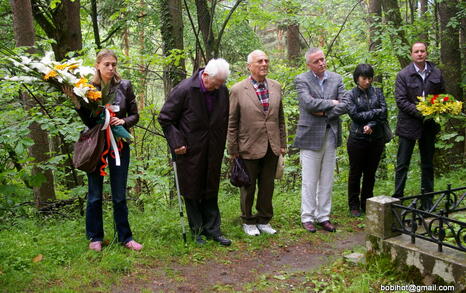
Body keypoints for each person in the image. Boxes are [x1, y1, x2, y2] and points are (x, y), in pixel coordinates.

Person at [68, 49, 143, 251]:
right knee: (95, 194)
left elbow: (135, 115)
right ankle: (95, 238)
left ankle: (125, 237)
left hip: (119, 144)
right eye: (107, 64)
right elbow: (89, 120)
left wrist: (123, 121)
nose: (111, 68)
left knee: (119, 194)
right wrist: (77, 103)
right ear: (98, 65)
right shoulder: (89, 87)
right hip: (96, 145)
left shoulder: (124, 86)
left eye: (113, 64)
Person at [158, 58, 232, 246]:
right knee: (192, 189)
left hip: (213, 148)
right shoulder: (184, 90)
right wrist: (177, 142)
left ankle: (213, 230)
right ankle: (197, 231)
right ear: (205, 76)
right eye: (215, 84)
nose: (218, 88)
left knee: (211, 188)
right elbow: (165, 118)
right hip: (190, 149)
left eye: (221, 84)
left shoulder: (222, 90)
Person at [227, 50, 287, 236]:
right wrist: (233, 148)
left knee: (267, 185)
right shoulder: (238, 89)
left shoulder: (276, 86)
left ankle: (264, 219)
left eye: (266, 60)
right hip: (248, 146)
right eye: (259, 61)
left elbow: (280, 118)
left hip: (272, 145)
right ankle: (248, 220)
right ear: (249, 66)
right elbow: (232, 121)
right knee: (248, 186)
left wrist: (283, 143)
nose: (264, 64)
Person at [294, 48, 347, 233]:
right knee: (310, 179)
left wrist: (324, 110)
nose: (321, 63)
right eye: (316, 61)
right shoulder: (302, 79)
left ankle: (323, 216)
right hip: (310, 135)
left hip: (331, 133)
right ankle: (307, 217)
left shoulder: (336, 78)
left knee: (326, 178)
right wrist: (332, 103)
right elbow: (308, 103)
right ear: (309, 64)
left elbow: (346, 103)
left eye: (323, 59)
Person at [393, 42, 445, 210]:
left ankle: (427, 201)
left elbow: (442, 95)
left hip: (429, 126)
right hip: (408, 124)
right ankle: (397, 199)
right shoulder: (403, 74)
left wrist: (437, 109)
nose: (420, 54)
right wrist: (421, 112)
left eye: (422, 51)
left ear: (426, 53)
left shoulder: (436, 72)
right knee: (402, 163)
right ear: (411, 55)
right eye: (416, 51)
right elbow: (401, 100)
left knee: (428, 163)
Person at [346, 64, 388, 217]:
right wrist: (375, 113)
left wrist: (371, 124)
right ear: (357, 78)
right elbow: (355, 115)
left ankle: (367, 202)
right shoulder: (350, 95)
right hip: (357, 138)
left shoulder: (378, 92)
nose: (368, 81)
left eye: (370, 78)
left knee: (370, 173)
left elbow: (384, 114)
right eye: (364, 78)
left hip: (376, 138)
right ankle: (354, 204)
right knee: (355, 172)